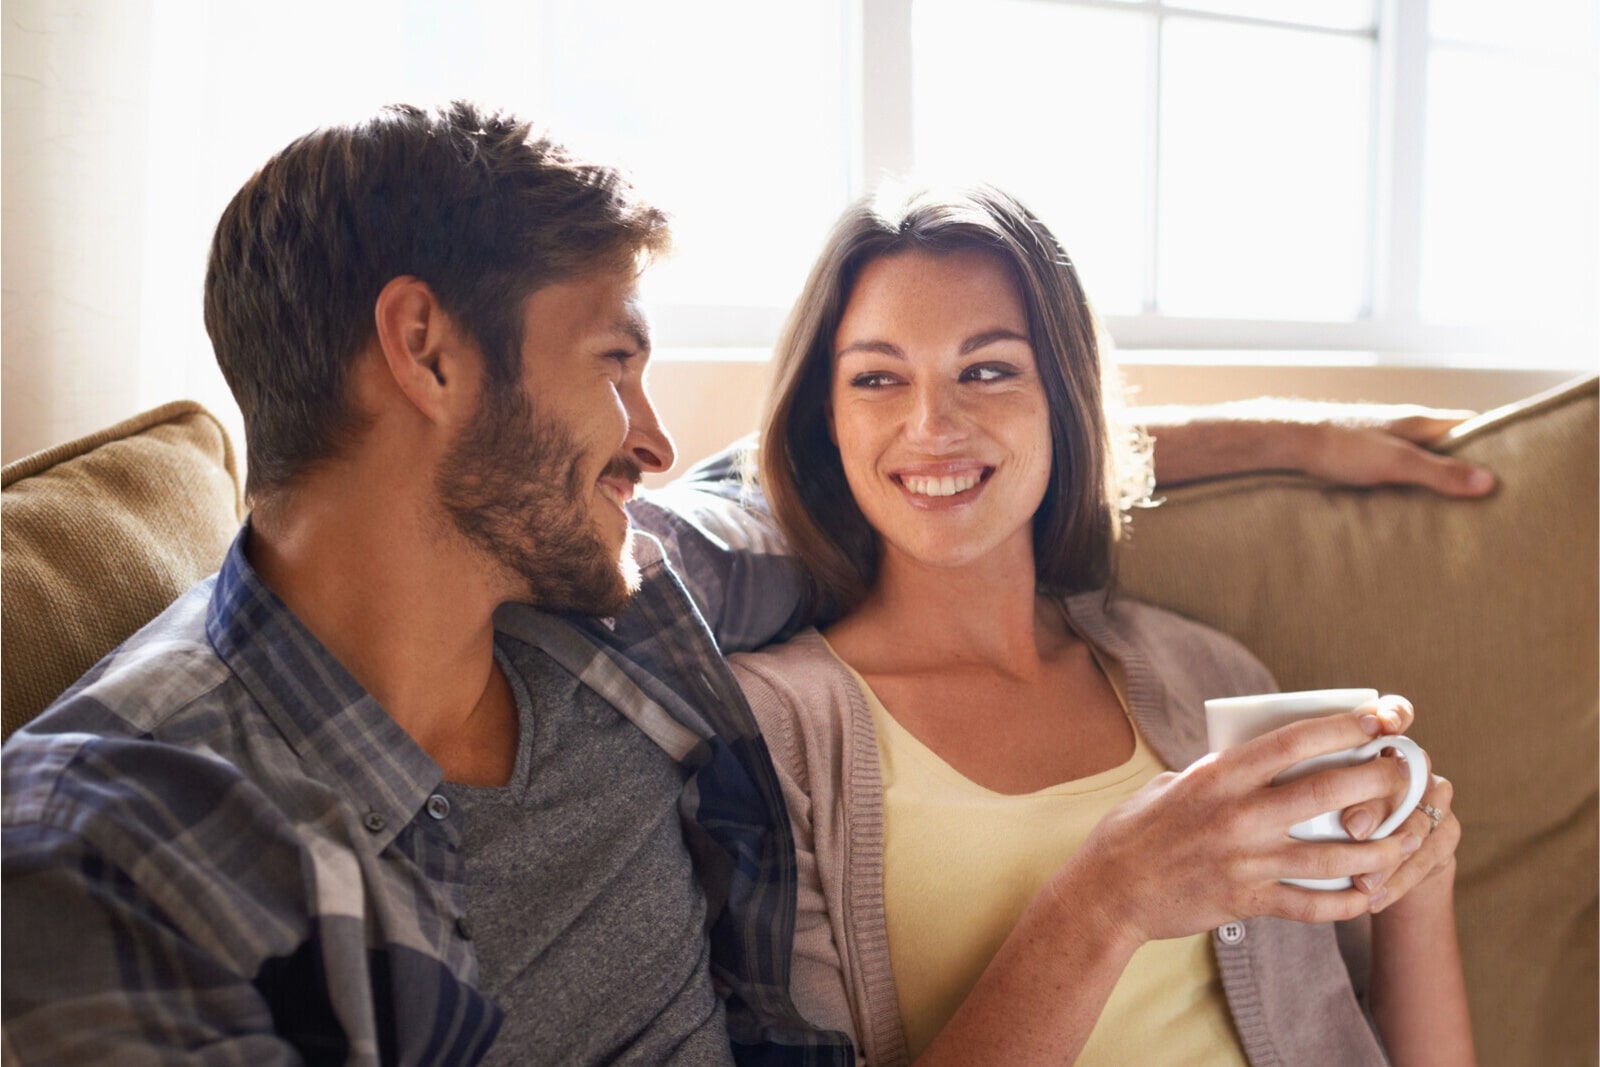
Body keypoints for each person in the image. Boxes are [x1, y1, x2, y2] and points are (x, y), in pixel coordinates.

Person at [1, 102, 1489, 1065]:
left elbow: (936, 471)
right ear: (429, 351)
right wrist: (1101, 900)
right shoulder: (110, 847)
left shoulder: (631, 601)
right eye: (615, 364)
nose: (654, 441)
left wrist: (1283, 435)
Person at [728, 184, 1476, 1066]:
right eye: (878, 378)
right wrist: (1107, 899)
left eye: (989, 369)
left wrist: (1419, 882)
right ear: (828, 414)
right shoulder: (771, 735)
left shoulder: (1211, 675)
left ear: (1062, 396)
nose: (931, 425)